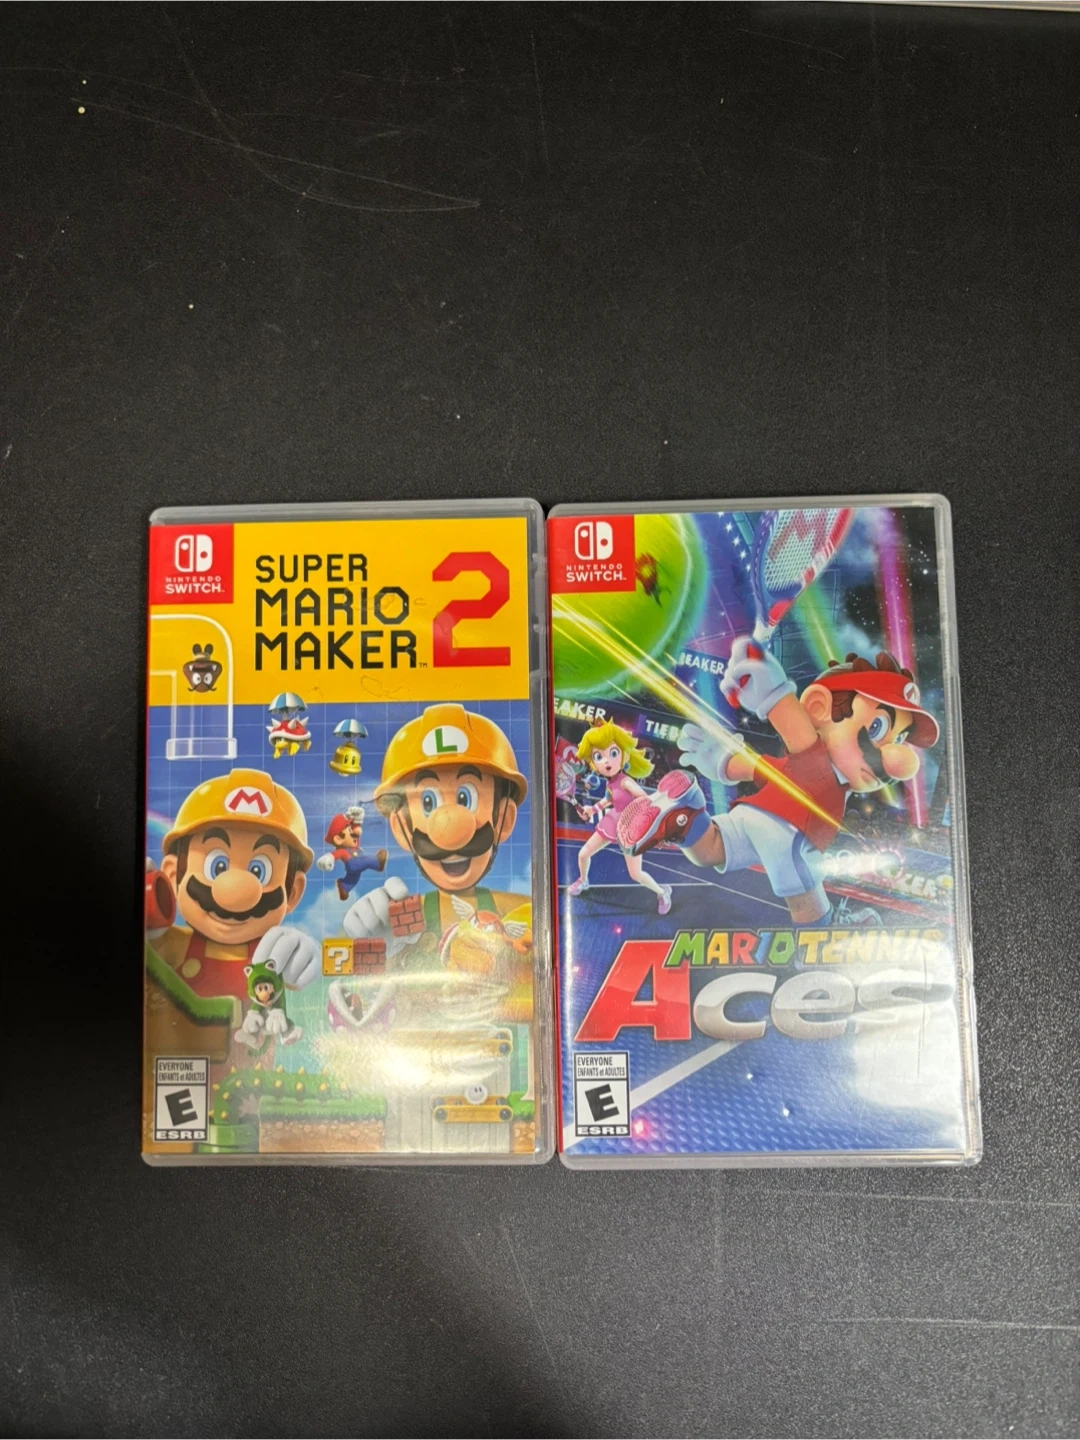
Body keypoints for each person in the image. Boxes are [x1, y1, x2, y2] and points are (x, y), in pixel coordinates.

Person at [568, 721, 672, 915]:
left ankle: (662, 892)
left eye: (613, 753)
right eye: (598, 756)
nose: (606, 761)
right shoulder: (611, 783)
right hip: (612, 822)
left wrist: (641, 824)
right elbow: (608, 799)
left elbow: (645, 800)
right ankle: (583, 880)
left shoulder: (626, 782)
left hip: (630, 829)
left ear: (624, 755)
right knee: (583, 854)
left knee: (636, 874)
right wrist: (592, 809)